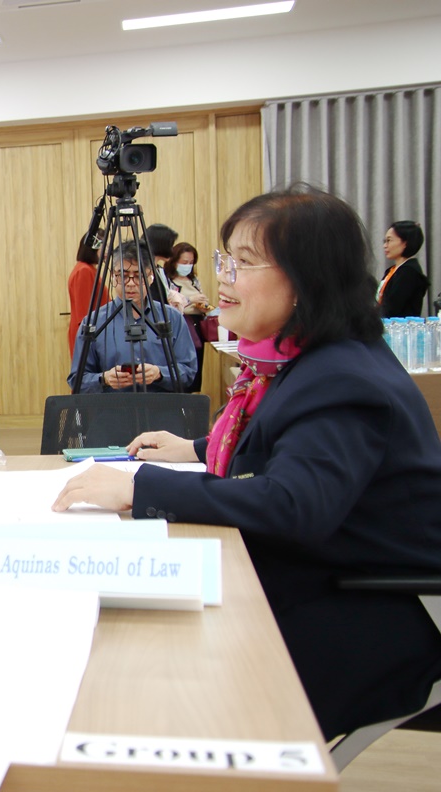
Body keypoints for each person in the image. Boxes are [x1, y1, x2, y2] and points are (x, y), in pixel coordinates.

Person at [53, 185, 441, 741]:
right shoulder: (307, 357)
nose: (224, 279)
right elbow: (285, 445)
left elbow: (292, 503)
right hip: (316, 573)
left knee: (153, 681)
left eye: (244, 262)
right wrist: (194, 448)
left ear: (307, 280)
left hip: (360, 608)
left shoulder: (341, 378)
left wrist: (140, 489)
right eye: (224, 260)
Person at [67, 239, 198, 394]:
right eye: (122, 276)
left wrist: (160, 374)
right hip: (113, 407)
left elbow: (189, 372)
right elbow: (77, 380)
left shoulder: (172, 318)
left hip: (160, 406)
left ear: (151, 277)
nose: (130, 283)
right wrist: (104, 379)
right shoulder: (93, 322)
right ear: (113, 277)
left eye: (138, 276)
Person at [164, 241, 211, 391]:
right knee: (180, 363)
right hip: (181, 325)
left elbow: (200, 301)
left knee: (196, 364)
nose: (188, 266)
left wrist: (204, 306)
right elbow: (170, 304)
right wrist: (190, 300)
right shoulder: (167, 280)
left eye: (191, 263)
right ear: (174, 261)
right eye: (184, 262)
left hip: (197, 326)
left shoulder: (194, 280)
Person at [67, 228, 108, 357]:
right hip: (88, 335)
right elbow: (84, 313)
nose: (107, 250)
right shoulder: (84, 271)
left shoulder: (89, 269)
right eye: (104, 246)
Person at [378, 219, 428, 317]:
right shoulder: (392, 270)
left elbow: (392, 308)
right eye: (385, 241)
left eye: (389, 240)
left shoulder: (409, 272)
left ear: (405, 243)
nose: (385, 246)